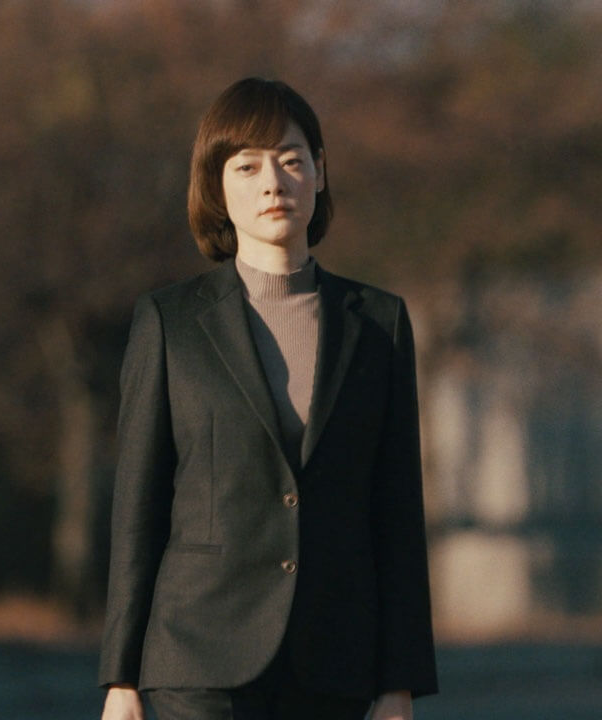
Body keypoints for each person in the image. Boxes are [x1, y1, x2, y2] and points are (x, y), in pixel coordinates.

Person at [98, 78, 438, 720]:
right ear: (217, 187)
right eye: (247, 166)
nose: (272, 183)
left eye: (290, 160)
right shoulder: (170, 321)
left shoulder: (379, 323)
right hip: (197, 663)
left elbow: (396, 512)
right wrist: (121, 679)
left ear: (320, 172)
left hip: (334, 664)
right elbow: (139, 507)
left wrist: (400, 684)